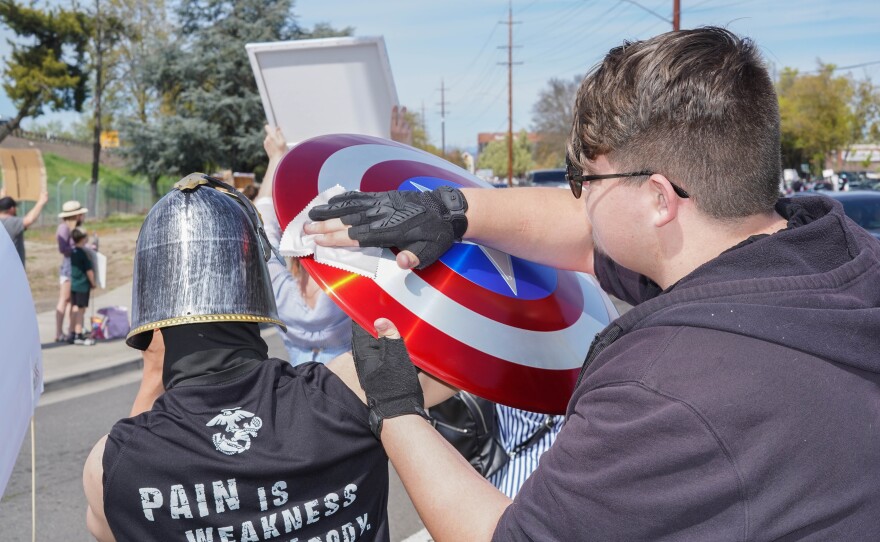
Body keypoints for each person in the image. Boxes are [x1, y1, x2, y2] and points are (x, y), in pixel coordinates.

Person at [305, 27, 880, 539]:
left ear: (659, 198)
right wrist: (452, 209)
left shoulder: (660, 392)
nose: (576, 194)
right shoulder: (842, 254)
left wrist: (397, 410)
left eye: (585, 179)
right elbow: (587, 236)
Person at [81, 173, 453, 542]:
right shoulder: (357, 390)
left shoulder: (108, 466)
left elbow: (110, 527)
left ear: (150, 315)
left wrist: (152, 374)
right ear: (255, 281)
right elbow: (467, 354)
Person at [255, 106, 414, 365]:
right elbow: (391, 217)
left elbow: (261, 220)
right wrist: (397, 148)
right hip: (348, 389)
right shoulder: (349, 277)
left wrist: (276, 158)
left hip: (298, 389)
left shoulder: (280, 289)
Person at [56, 200, 88, 343]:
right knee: (64, 299)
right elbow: (62, 249)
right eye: (81, 214)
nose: (83, 216)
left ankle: (71, 329)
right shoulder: (64, 228)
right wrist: (77, 249)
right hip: (69, 269)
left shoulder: (75, 228)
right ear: (76, 215)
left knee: (71, 301)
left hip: (74, 268)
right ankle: (58, 332)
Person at [0, 189, 49, 267]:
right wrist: (41, 202)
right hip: (12, 270)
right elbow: (29, 219)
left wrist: (3, 198)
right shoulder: (12, 223)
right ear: (12, 209)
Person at [69, 228, 97, 346]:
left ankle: (72, 332)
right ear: (82, 238)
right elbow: (89, 271)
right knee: (81, 310)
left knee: (75, 308)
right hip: (82, 285)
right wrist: (93, 282)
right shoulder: (83, 254)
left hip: (74, 285)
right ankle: (78, 334)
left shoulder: (73, 251)